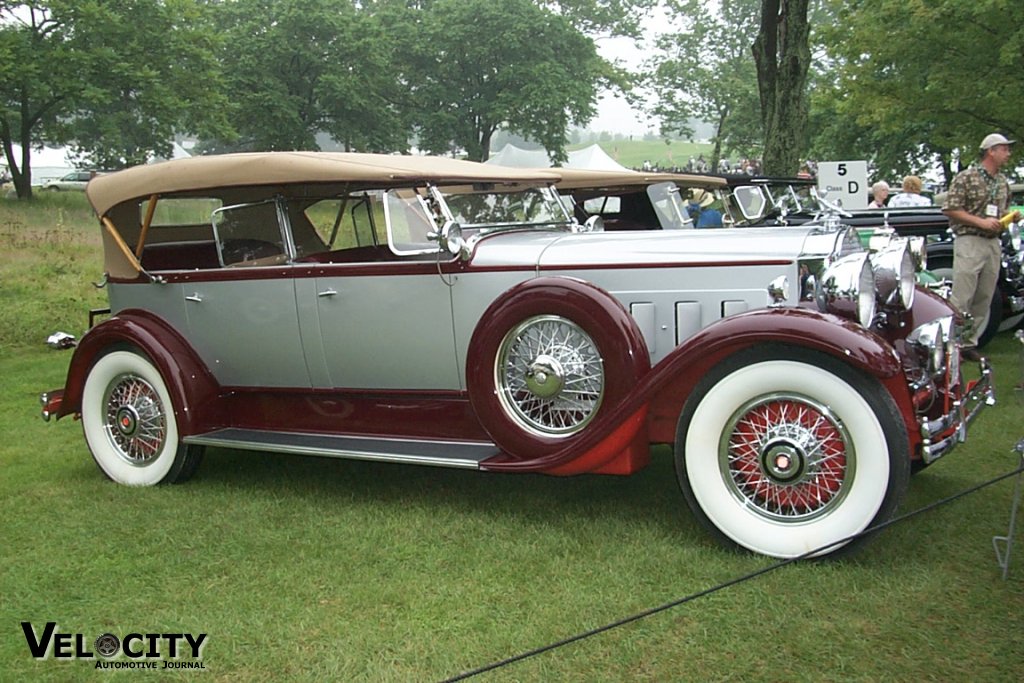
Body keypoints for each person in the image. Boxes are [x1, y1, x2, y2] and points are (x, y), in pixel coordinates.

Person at [942, 133, 1015, 359]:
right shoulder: (967, 177)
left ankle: (968, 343)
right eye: (1004, 149)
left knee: (984, 295)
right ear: (990, 151)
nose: (1008, 154)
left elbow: (1002, 209)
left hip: (993, 243)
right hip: (970, 241)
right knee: (962, 295)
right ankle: (949, 344)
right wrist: (980, 221)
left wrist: (1009, 217)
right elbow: (950, 208)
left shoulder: (1002, 182)